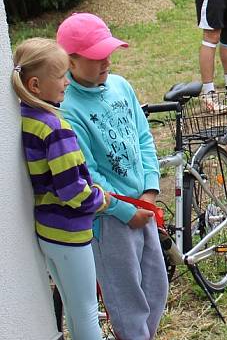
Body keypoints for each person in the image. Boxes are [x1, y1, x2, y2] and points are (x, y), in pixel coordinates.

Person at [57, 13, 168, 339]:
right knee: (124, 295)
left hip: (142, 206)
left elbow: (143, 138)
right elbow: (86, 171)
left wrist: (150, 187)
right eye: (95, 57)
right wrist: (124, 210)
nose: (105, 61)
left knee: (155, 283)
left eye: (108, 53)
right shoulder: (70, 109)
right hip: (109, 218)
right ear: (70, 62)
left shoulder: (120, 86)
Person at [13, 38, 108, 340]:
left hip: (48, 231)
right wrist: (98, 199)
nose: (67, 82)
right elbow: (71, 191)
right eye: (61, 76)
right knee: (86, 313)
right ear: (36, 85)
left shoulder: (27, 119)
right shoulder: (55, 128)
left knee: (71, 307)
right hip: (69, 233)